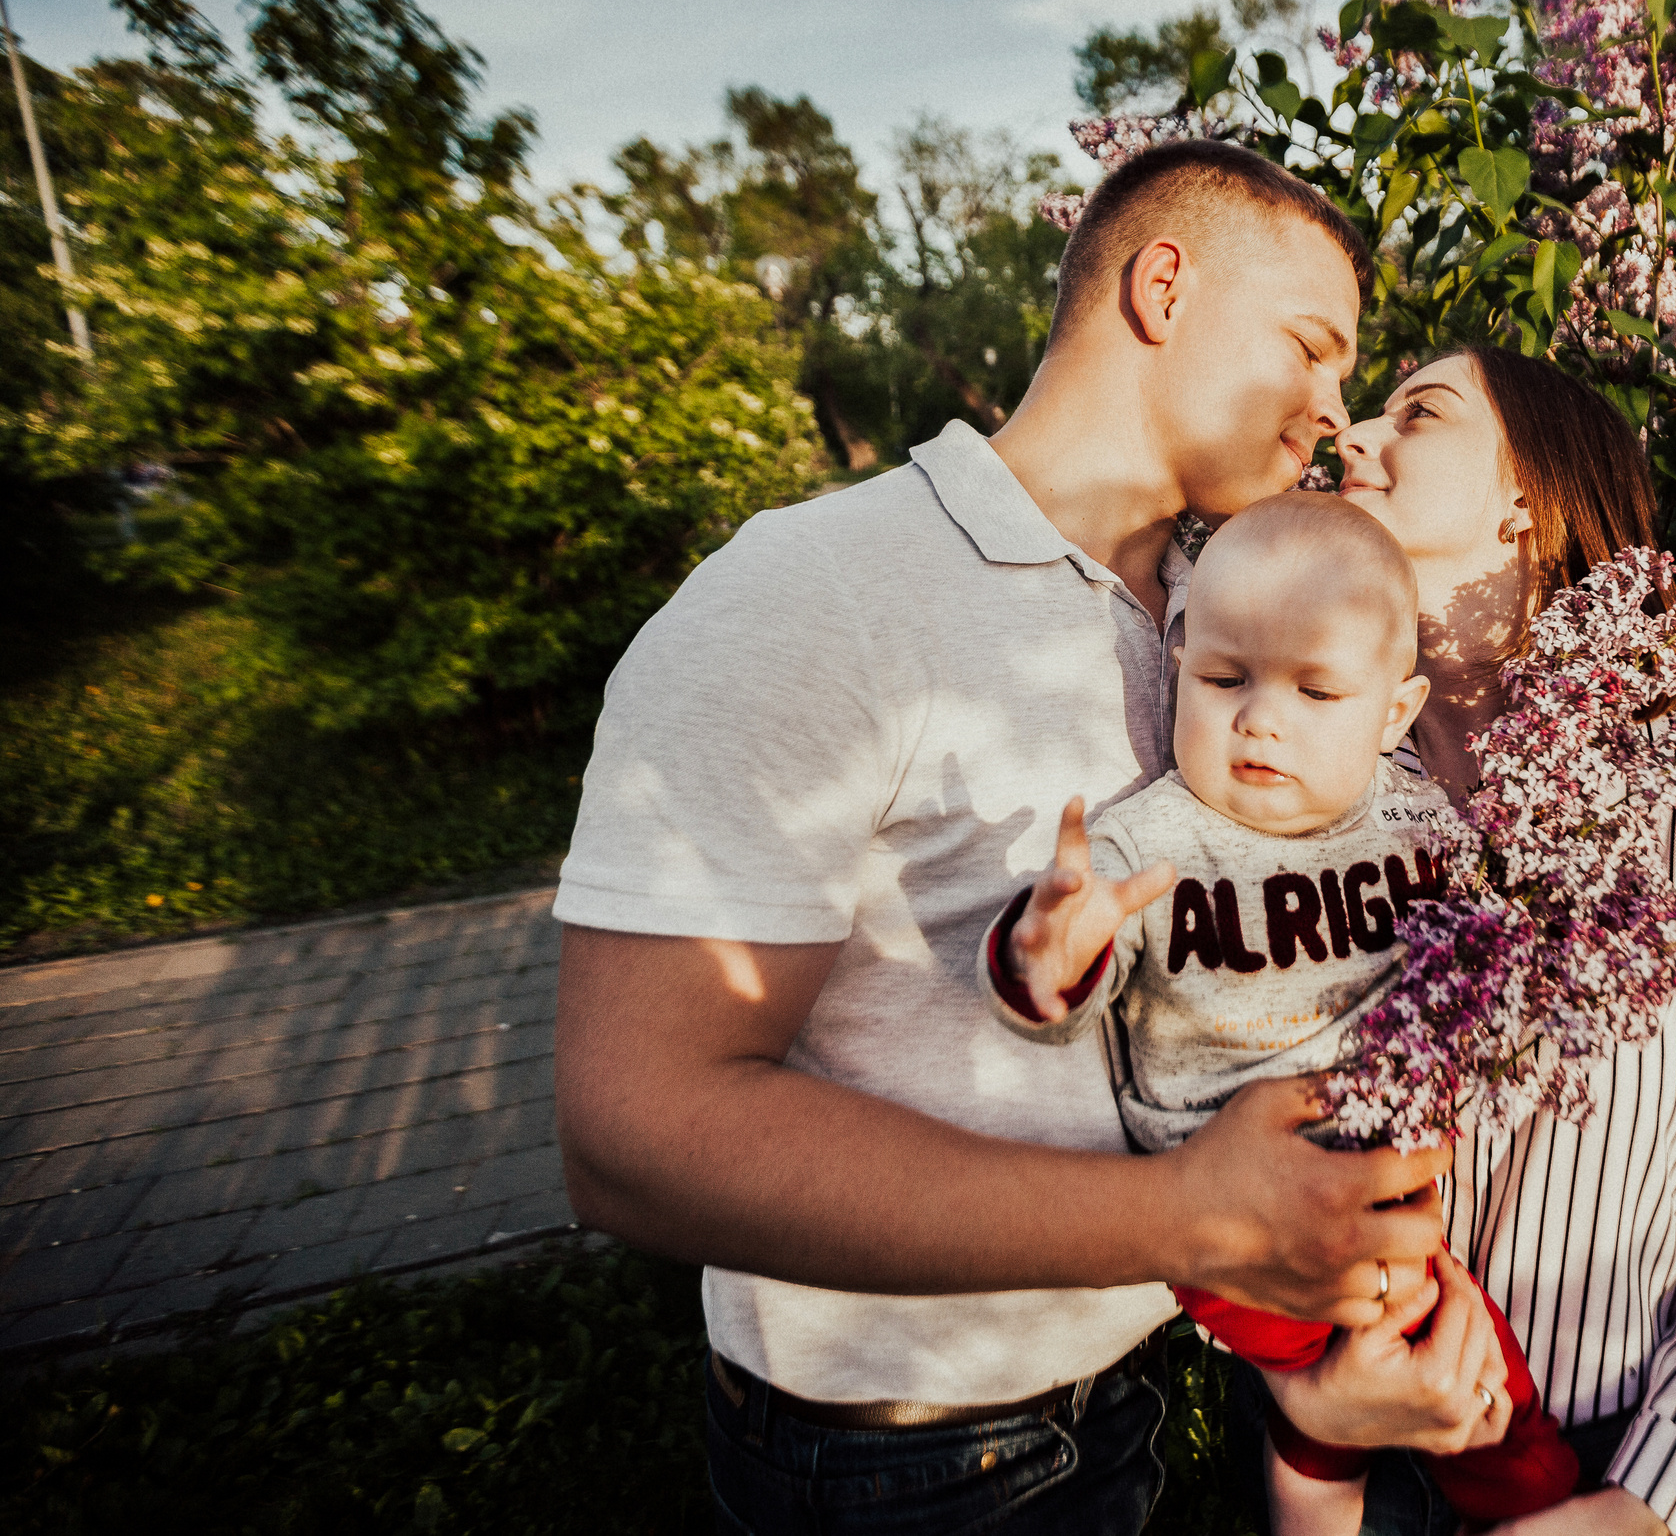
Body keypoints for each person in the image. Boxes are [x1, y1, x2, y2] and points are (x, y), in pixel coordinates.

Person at [548, 142, 1517, 1536]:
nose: (1333, 410)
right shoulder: (815, 593)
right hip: (906, 1462)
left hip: (1131, 1385)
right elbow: (636, 1130)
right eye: (1312, 347)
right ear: (1162, 285)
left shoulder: (1230, 613)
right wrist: (1190, 1218)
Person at [1236, 346, 1676, 1536]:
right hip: (1329, 1453)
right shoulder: (1300, 779)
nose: (1352, 438)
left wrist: (1647, 1505)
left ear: (1528, 498)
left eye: (1417, 413)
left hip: (1586, 1466)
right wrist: (1308, 1403)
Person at [988, 492, 1582, 1535]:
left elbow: (1481, 943)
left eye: (1316, 691)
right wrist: (1048, 956)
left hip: (1386, 1178)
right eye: (1225, 680)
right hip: (1232, 1206)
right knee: (1386, 1363)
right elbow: (1066, 981)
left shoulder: (1408, 813)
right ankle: (1362, 1473)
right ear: (1177, 669)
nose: (1260, 718)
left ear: (1393, 715)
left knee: (1477, 1370)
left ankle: (1526, 1501)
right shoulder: (1147, 846)